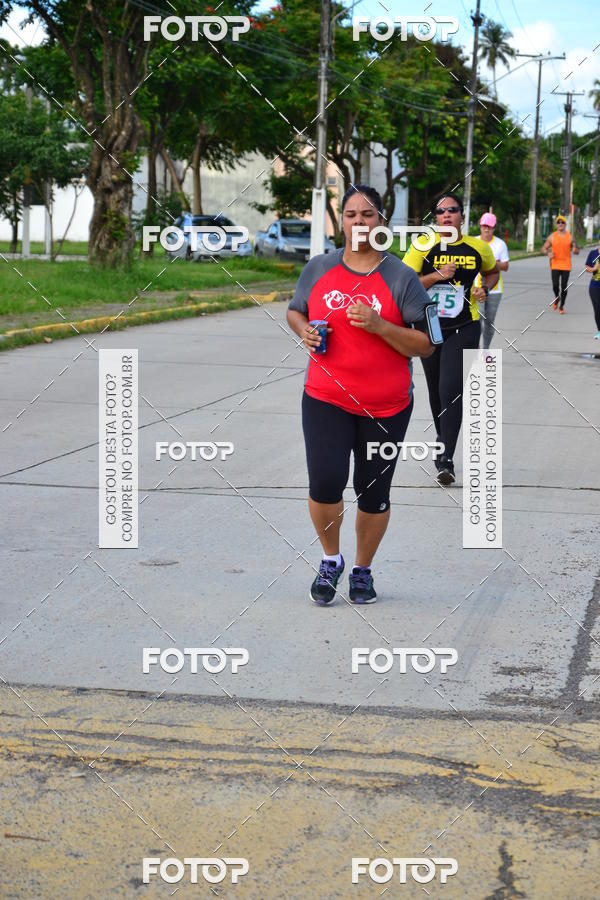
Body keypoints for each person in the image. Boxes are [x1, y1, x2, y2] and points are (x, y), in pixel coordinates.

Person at [286, 185, 437, 605]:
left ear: (381, 222)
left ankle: (362, 571)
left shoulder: (402, 278)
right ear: (342, 221)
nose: (358, 222)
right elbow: (295, 309)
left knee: (373, 492)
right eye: (350, 214)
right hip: (324, 399)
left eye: (367, 215)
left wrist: (380, 326)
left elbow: (426, 344)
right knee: (326, 483)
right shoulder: (318, 269)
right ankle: (330, 559)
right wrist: (305, 331)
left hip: (386, 408)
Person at [403, 192, 499, 486]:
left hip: (465, 325)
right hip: (429, 326)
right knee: (435, 391)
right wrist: (436, 276)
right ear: (436, 218)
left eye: (452, 210)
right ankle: (443, 437)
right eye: (440, 211)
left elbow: (492, 273)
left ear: (462, 215)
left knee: (451, 389)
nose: (446, 215)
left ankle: (445, 458)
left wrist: (484, 288)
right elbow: (405, 282)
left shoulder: (477, 248)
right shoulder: (423, 245)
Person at [475, 212, 509, 348]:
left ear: (494, 228)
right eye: (484, 226)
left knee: (489, 321)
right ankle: (475, 348)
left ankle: (485, 349)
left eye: (489, 226)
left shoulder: (500, 245)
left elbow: (505, 266)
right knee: (478, 318)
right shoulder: (473, 242)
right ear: (480, 226)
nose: (486, 229)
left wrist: (490, 263)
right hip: (476, 288)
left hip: (494, 289)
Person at [541, 215, 580, 314]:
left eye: (562, 222)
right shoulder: (552, 236)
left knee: (564, 286)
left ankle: (561, 306)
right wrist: (548, 253)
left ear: (565, 224)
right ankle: (557, 298)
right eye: (558, 222)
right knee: (555, 285)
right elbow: (543, 248)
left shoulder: (570, 237)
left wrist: (575, 250)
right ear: (556, 225)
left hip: (566, 265)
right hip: (555, 264)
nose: (560, 224)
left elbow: (577, 249)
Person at [584, 239, 600, 339]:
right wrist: (594, 269)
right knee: (597, 309)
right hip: (595, 286)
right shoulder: (593, 253)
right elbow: (587, 267)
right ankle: (599, 331)